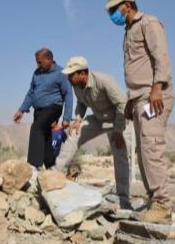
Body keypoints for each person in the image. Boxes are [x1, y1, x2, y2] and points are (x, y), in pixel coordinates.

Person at [106, 0, 175, 223]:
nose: (111, 15)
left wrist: (157, 88)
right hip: (138, 98)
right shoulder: (128, 31)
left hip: (153, 96)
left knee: (151, 149)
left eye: (114, 9)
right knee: (144, 151)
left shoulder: (149, 23)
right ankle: (153, 201)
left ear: (127, 5)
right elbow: (136, 68)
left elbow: (161, 57)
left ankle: (163, 205)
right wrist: (129, 100)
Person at [55, 56, 133, 208]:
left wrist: (118, 131)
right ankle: (56, 174)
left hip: (119, 119)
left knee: (121, 155)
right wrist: (77, 119)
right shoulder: (76, 85)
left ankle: (124, 199)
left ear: (83, 73)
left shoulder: (104, 80)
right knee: (74, 134)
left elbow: (122, 104)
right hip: (99, 119)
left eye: (72, 74)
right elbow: (81, 104)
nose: (69, 78)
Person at [14, 48, 73, 169]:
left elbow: (68, 94)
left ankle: (33, 164)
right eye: (37, 62)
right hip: (39, 110)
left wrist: (67, 117)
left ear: (49, 59)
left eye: (40, 62)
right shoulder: (36, 73)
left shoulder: (61, 73)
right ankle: (50, 164)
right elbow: (31, 93)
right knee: (46, 135)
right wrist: (22, 110)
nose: (38, 65)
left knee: (37, 128)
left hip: (53, 107)